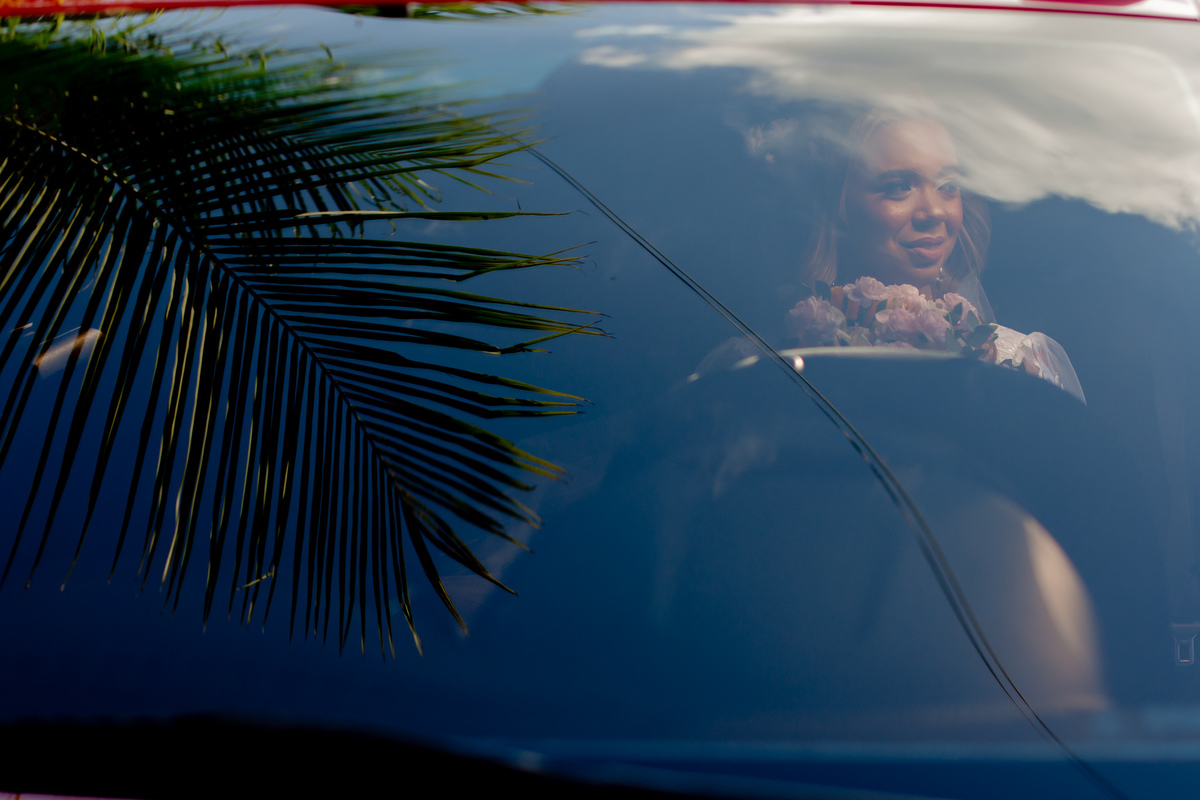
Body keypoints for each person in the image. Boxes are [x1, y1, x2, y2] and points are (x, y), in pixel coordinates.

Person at [791, 105, 1085, 403]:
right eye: (899, 187)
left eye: (948, 185)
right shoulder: (791, 361)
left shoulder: (1023, 364)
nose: (933, 212)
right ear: (840, 205)